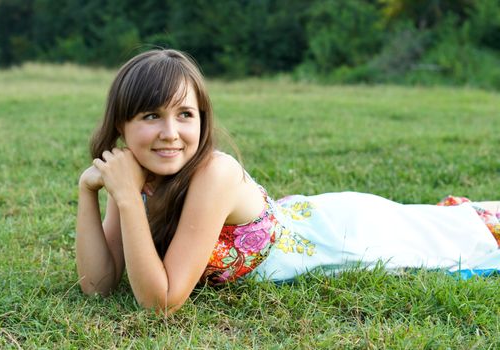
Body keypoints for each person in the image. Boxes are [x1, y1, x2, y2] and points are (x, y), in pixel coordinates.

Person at [76, 49, 500, 314]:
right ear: (122, 124)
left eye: (185, 114)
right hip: (308, 219)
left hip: (340, 233)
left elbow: (161, 303)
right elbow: (98, 287)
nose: (170, 131)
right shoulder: (133, 172)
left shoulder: (215, 172)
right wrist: (88, 192)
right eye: (152, 115)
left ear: (202, 121)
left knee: (465, 233)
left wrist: (128, 199)